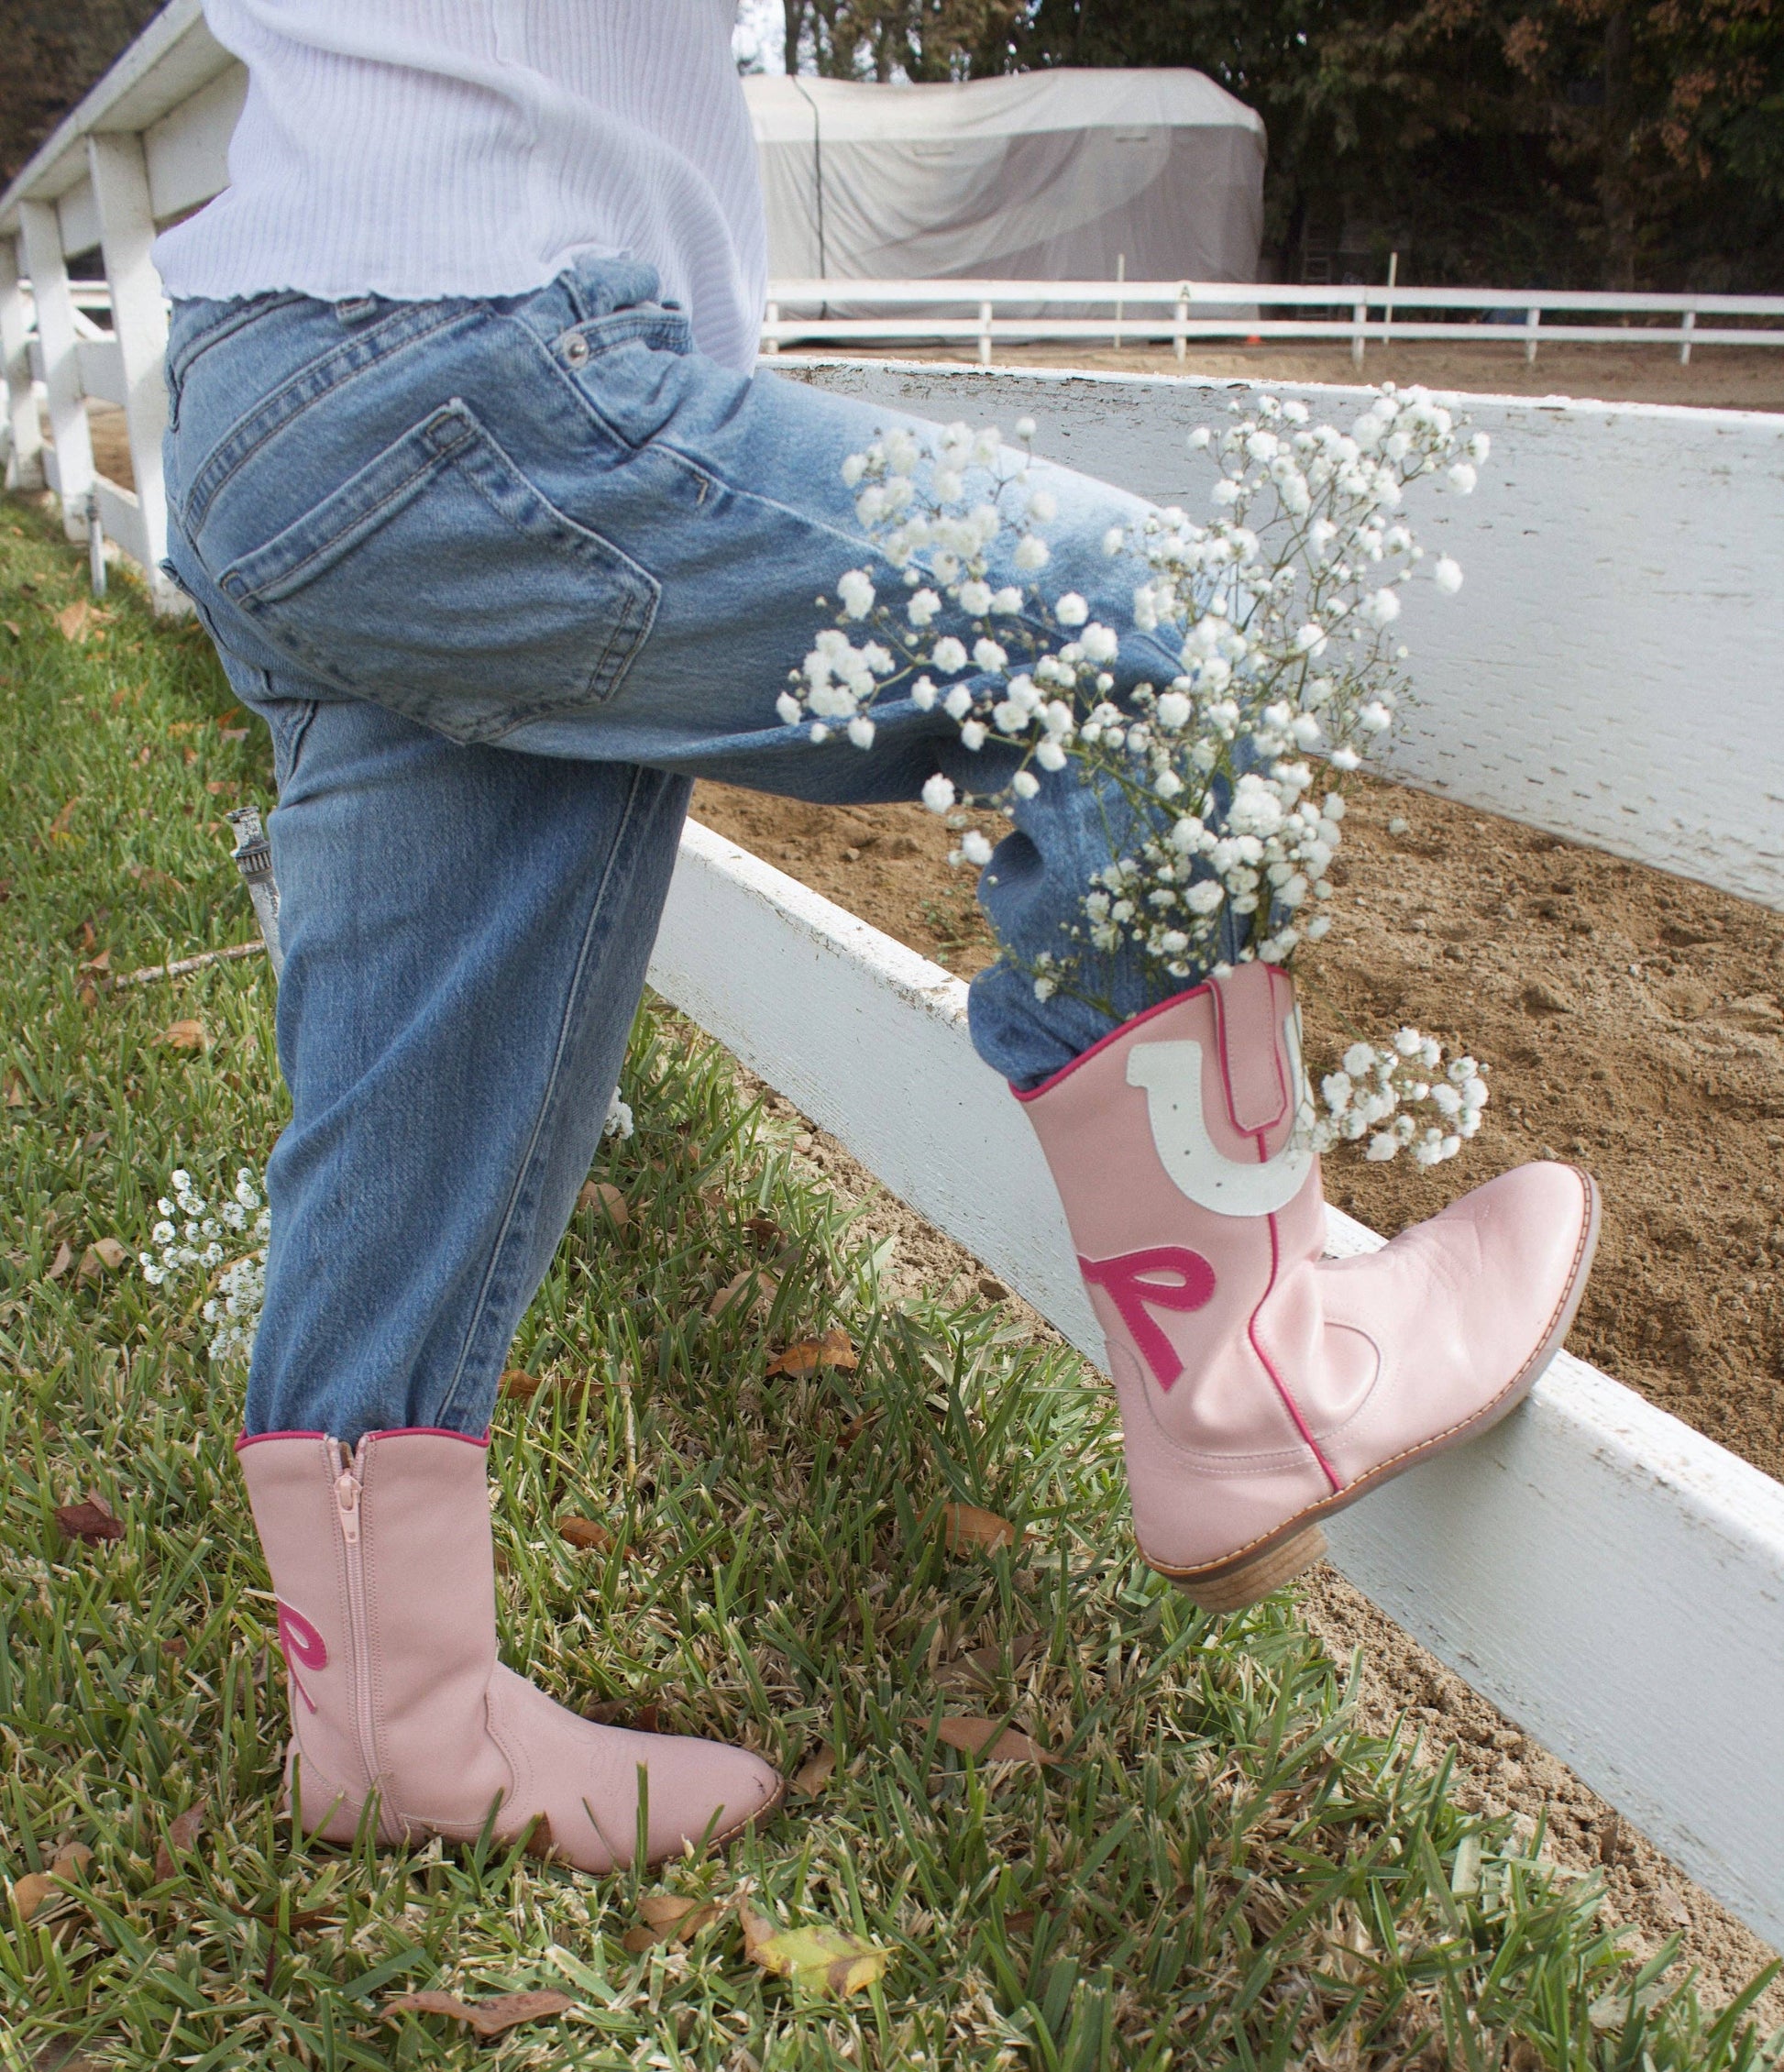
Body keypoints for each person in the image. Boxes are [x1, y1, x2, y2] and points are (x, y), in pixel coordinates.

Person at [154, 1, 1598, 1877]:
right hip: (475, 350)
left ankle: (390, 1720)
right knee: (1148, 649)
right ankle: (1254, 1365)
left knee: (420, 1074)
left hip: (277, 385)